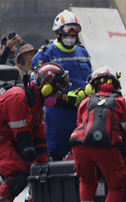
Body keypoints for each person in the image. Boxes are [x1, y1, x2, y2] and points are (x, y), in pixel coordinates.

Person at [0, 63, 70, 202]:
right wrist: (36, 167)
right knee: (19, 174)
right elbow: (25, 143)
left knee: (42, 170)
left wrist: (44, 166)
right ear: (44, 86)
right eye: (56, 89)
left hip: (5, 136)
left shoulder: (36, 102)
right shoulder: (18, 99)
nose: (57, 93)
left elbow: (39, 138)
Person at [69, 66, 126, 202]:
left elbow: (80, 126)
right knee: (117, 182)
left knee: (86, 181)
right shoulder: (120, 102)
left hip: (80, 145)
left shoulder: (84, 102)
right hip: (107, 145)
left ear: (92, 86)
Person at [32, 9, 92, 161]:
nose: (70, 37)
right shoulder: (46, 54)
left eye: (73, 34)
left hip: (83, 111)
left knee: (84, 153)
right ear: (57, 33)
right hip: (59, 113)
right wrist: (65, 96)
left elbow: (89, 78)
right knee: (58, 155)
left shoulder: (83, 52)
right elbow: (37, 87)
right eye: (66, 33)